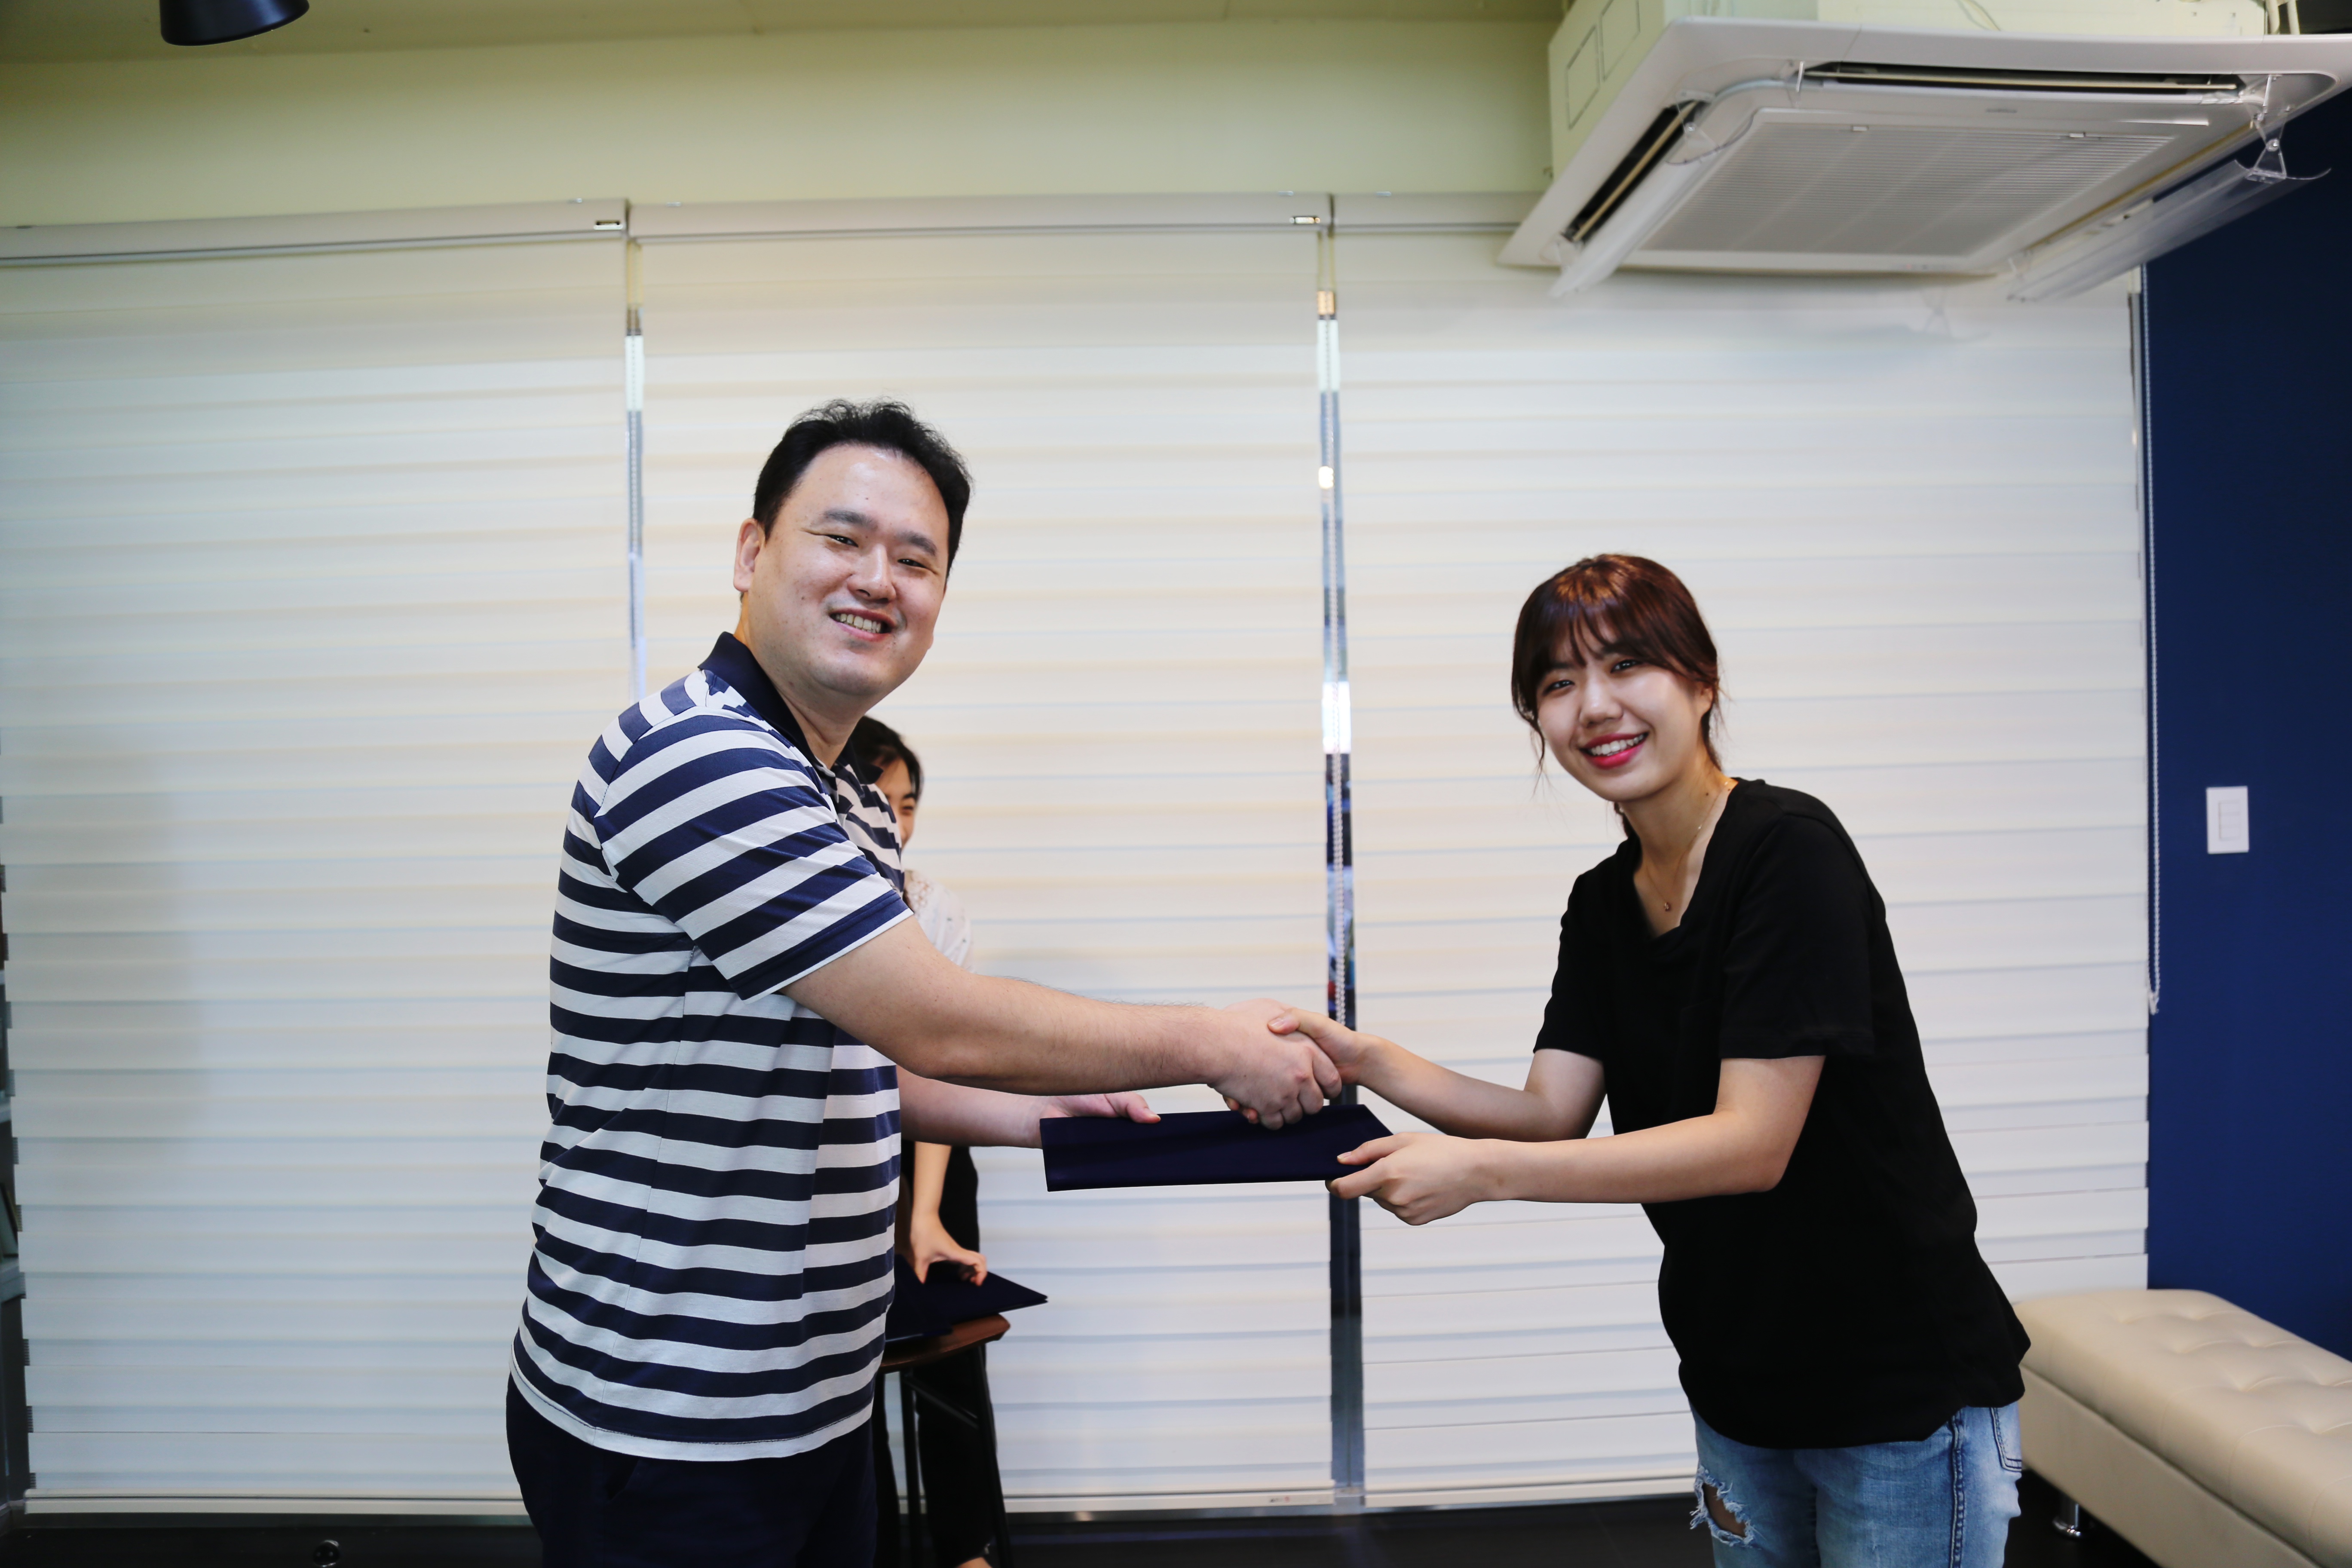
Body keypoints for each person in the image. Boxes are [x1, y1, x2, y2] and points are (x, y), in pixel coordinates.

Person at [506, 400, 1335, 1568]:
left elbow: (855, 1064)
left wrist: (1037, 1113)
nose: (877, 580)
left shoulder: (842, 789)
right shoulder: (698, 754)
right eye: (842, 539)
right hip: (668, 1412)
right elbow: (933, 1018)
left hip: (809, 1397)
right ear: (751, 553)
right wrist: (1212, 1041)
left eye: (916, 559)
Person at [1275, 555, 2030, 1568]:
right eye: (1558, 682)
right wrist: (1369, 1061)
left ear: (1702, 682)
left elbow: (1751, 1144)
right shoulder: (1603, 901)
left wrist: (1482, 1176)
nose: (1595, 706)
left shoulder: (1789, 851)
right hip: (1737, 1376)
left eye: (1627, 664)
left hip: (1893, 1385)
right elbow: (1549, 1112)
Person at [846, 716, 1023, 1568]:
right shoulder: (805, 904)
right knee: (848, 1371)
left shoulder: (934, 907)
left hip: (934, 1153)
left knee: (950, 1355)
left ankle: (965, 1548)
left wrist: (923, 1215)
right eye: (879, 800)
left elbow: (941, 1070)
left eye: (909, 803)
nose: (896, 820)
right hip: (843, 1155)